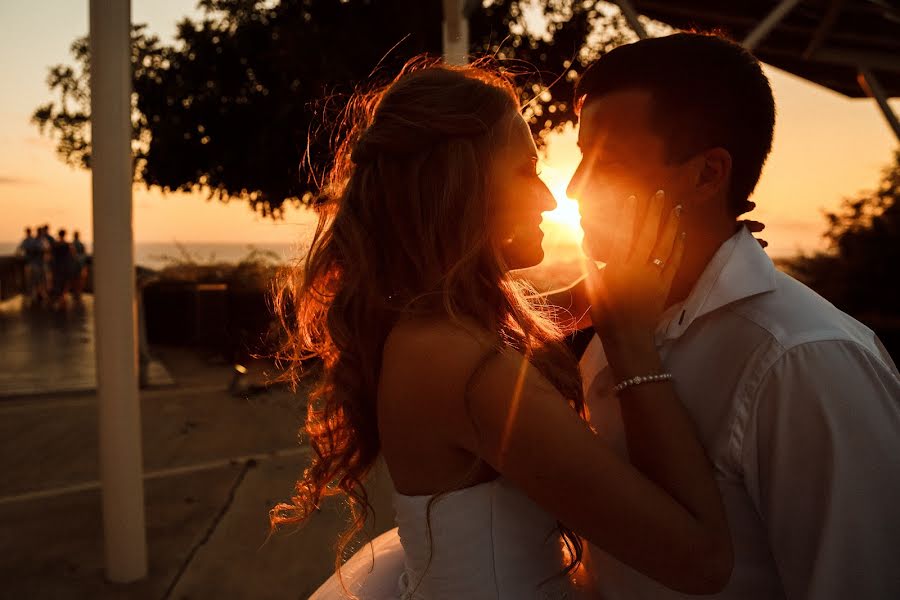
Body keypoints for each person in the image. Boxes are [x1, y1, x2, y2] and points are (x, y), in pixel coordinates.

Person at [274, 60, 733, 599]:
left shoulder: (428, 330)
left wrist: (679, 256)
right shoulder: (467, 370)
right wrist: (631, 347)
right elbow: (702, 561)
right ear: (461, 183)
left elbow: (545, 323)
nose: (549, 197)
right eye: (525, 170)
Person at [567, 33, 900, 599]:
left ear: (706, 175)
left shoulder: (803, 357)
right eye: (580, 159)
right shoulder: (613, 317)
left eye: (609, 165)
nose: (574, 189)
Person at [16, 227, 43, 305]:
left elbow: (20, 249)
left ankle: (33, 295)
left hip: (29, 264)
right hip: (38, 264)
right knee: (38, 280)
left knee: (31, 281)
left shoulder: (27, 241)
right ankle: (37, 295)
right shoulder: (37, 241)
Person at [50, 228, 74, 309]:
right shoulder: (67, 244)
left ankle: (59, 299)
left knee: (58, 283)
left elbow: (50, 255)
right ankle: (63, 298)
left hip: (57, 266)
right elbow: (72, 254)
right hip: (65, 265)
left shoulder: (55, 244)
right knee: (65, 282)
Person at [71, 230, 88, 301]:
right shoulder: (81, 244)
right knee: (80, 279)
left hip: (74, 264)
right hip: (81, 264)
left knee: (75, 279)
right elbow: (84, 255)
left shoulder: (72, 244)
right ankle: (79, 292)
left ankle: (76, 292)